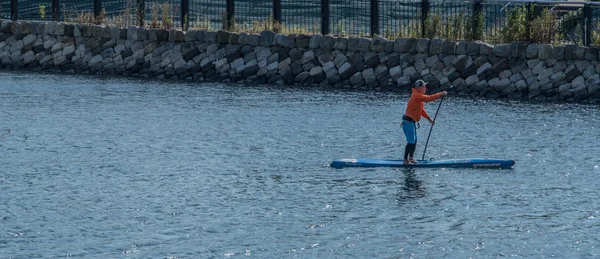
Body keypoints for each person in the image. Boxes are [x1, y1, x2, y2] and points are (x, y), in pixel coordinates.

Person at [402, 79, 447, 164]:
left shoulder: (418, 95)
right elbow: (428, 99)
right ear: (419, 87)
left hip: (412, 123)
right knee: (411, 141)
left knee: (414, 141)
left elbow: (421, 110)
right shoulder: (416, 95)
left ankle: (411, 158)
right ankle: (405, 160)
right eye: (424, 86)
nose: (425, 87)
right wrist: (440, 94)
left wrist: (429, 119)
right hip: (407, 122)